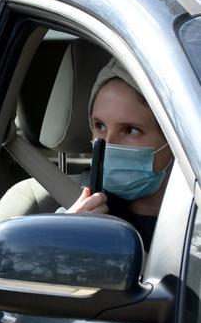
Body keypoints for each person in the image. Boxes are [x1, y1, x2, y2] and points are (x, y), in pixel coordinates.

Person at [67, 58, 174, 249]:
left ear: (172, 139)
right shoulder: (72, 215)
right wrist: (66, 238)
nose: (108, 144)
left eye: (130, 130)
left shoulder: (192, 224)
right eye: (99, 126)